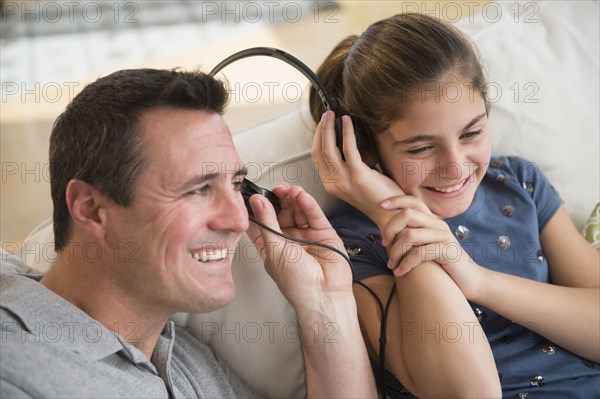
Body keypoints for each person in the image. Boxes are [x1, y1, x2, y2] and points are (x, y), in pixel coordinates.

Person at [0, 68, 376, 398]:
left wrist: (326, 299)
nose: (238, 220)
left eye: (236, 185)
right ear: (91, 209)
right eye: (198, 189)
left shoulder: (185, 361)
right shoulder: (18, 369)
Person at [309, 12, 600, 398]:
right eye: (421, 147)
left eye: (472, 132)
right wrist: (393, 213)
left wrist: (478, 280)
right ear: (363, 149)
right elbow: (465, 391)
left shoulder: (517, 184)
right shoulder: (351, 242)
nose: (455, 166)